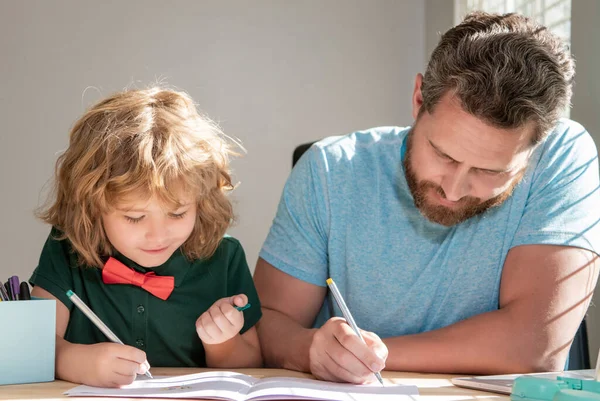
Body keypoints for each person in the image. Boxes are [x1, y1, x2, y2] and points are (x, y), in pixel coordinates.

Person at [254, 12, 600, 383]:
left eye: (490, 172)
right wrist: (311, 350)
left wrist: (368, 358)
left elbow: (534, 348)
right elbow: (267, 325)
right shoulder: (328, 168)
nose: (453, 190)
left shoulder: (563, 153)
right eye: (443, 155)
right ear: (419, 99)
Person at [30, 87, 262, 387]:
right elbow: (34, 347)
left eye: (177, 214)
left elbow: (254, 365)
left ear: (201, 201)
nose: (157, 235)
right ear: (92, 206)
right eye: (134, 217)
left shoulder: (224, 256)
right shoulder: (68, 246)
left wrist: (222, 342)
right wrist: (72, 361)